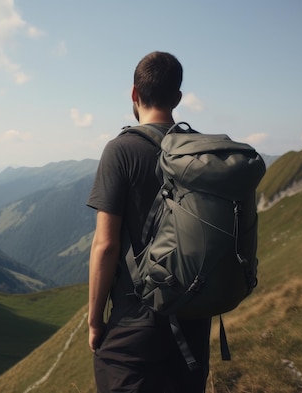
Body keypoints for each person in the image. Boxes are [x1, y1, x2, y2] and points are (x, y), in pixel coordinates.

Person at [87, 51, 212, 392]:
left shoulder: (121, 150)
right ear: (178, 98)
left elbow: (106, 245)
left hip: (134, 325)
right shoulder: (201, 151)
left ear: (133, 94)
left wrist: (95, 322)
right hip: (194, 324)